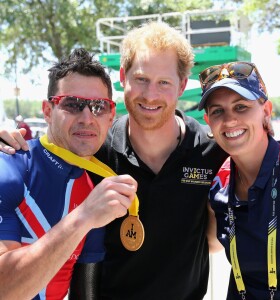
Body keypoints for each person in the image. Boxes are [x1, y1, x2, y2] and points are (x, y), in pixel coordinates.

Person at [0, 22, 229, 299]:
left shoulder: (212, 151)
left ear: (182, 85)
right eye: (142, 79)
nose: (151, 94)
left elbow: (216, 242)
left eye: (164, 83)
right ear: (123, 77)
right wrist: (7, 141)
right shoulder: (91, 152)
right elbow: (46, 149)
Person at [0, 48, 137, 300]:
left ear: (111, 115)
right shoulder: (8, 167)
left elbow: (86, 291)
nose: (87, 117)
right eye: (72, 104)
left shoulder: (95, 184)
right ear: (48, 111)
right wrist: (83, 217)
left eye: (98, 106)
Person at [198, 61, 280, 299]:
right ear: (208, 121)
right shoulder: (218, 186)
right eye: (218, 111)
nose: (230, 120)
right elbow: (211, 244)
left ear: (266, 111)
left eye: (241, 107)